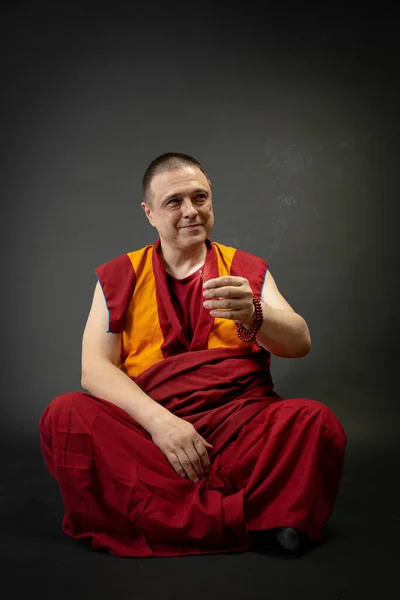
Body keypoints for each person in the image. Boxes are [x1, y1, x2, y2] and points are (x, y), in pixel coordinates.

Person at [39, 152, 346, 558]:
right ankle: (248, 518)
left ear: (211, 199)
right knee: (65, 416)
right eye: (174, 202)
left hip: (236, 432)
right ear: (149, 213)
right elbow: (94, 370)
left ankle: (164, 515)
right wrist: (163, 425)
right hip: (148, 440)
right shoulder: (120, 275)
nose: (191, 212)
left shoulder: (244, 270)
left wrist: (255, 314)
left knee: (314, 421)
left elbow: (299, 342)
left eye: (200, 198)